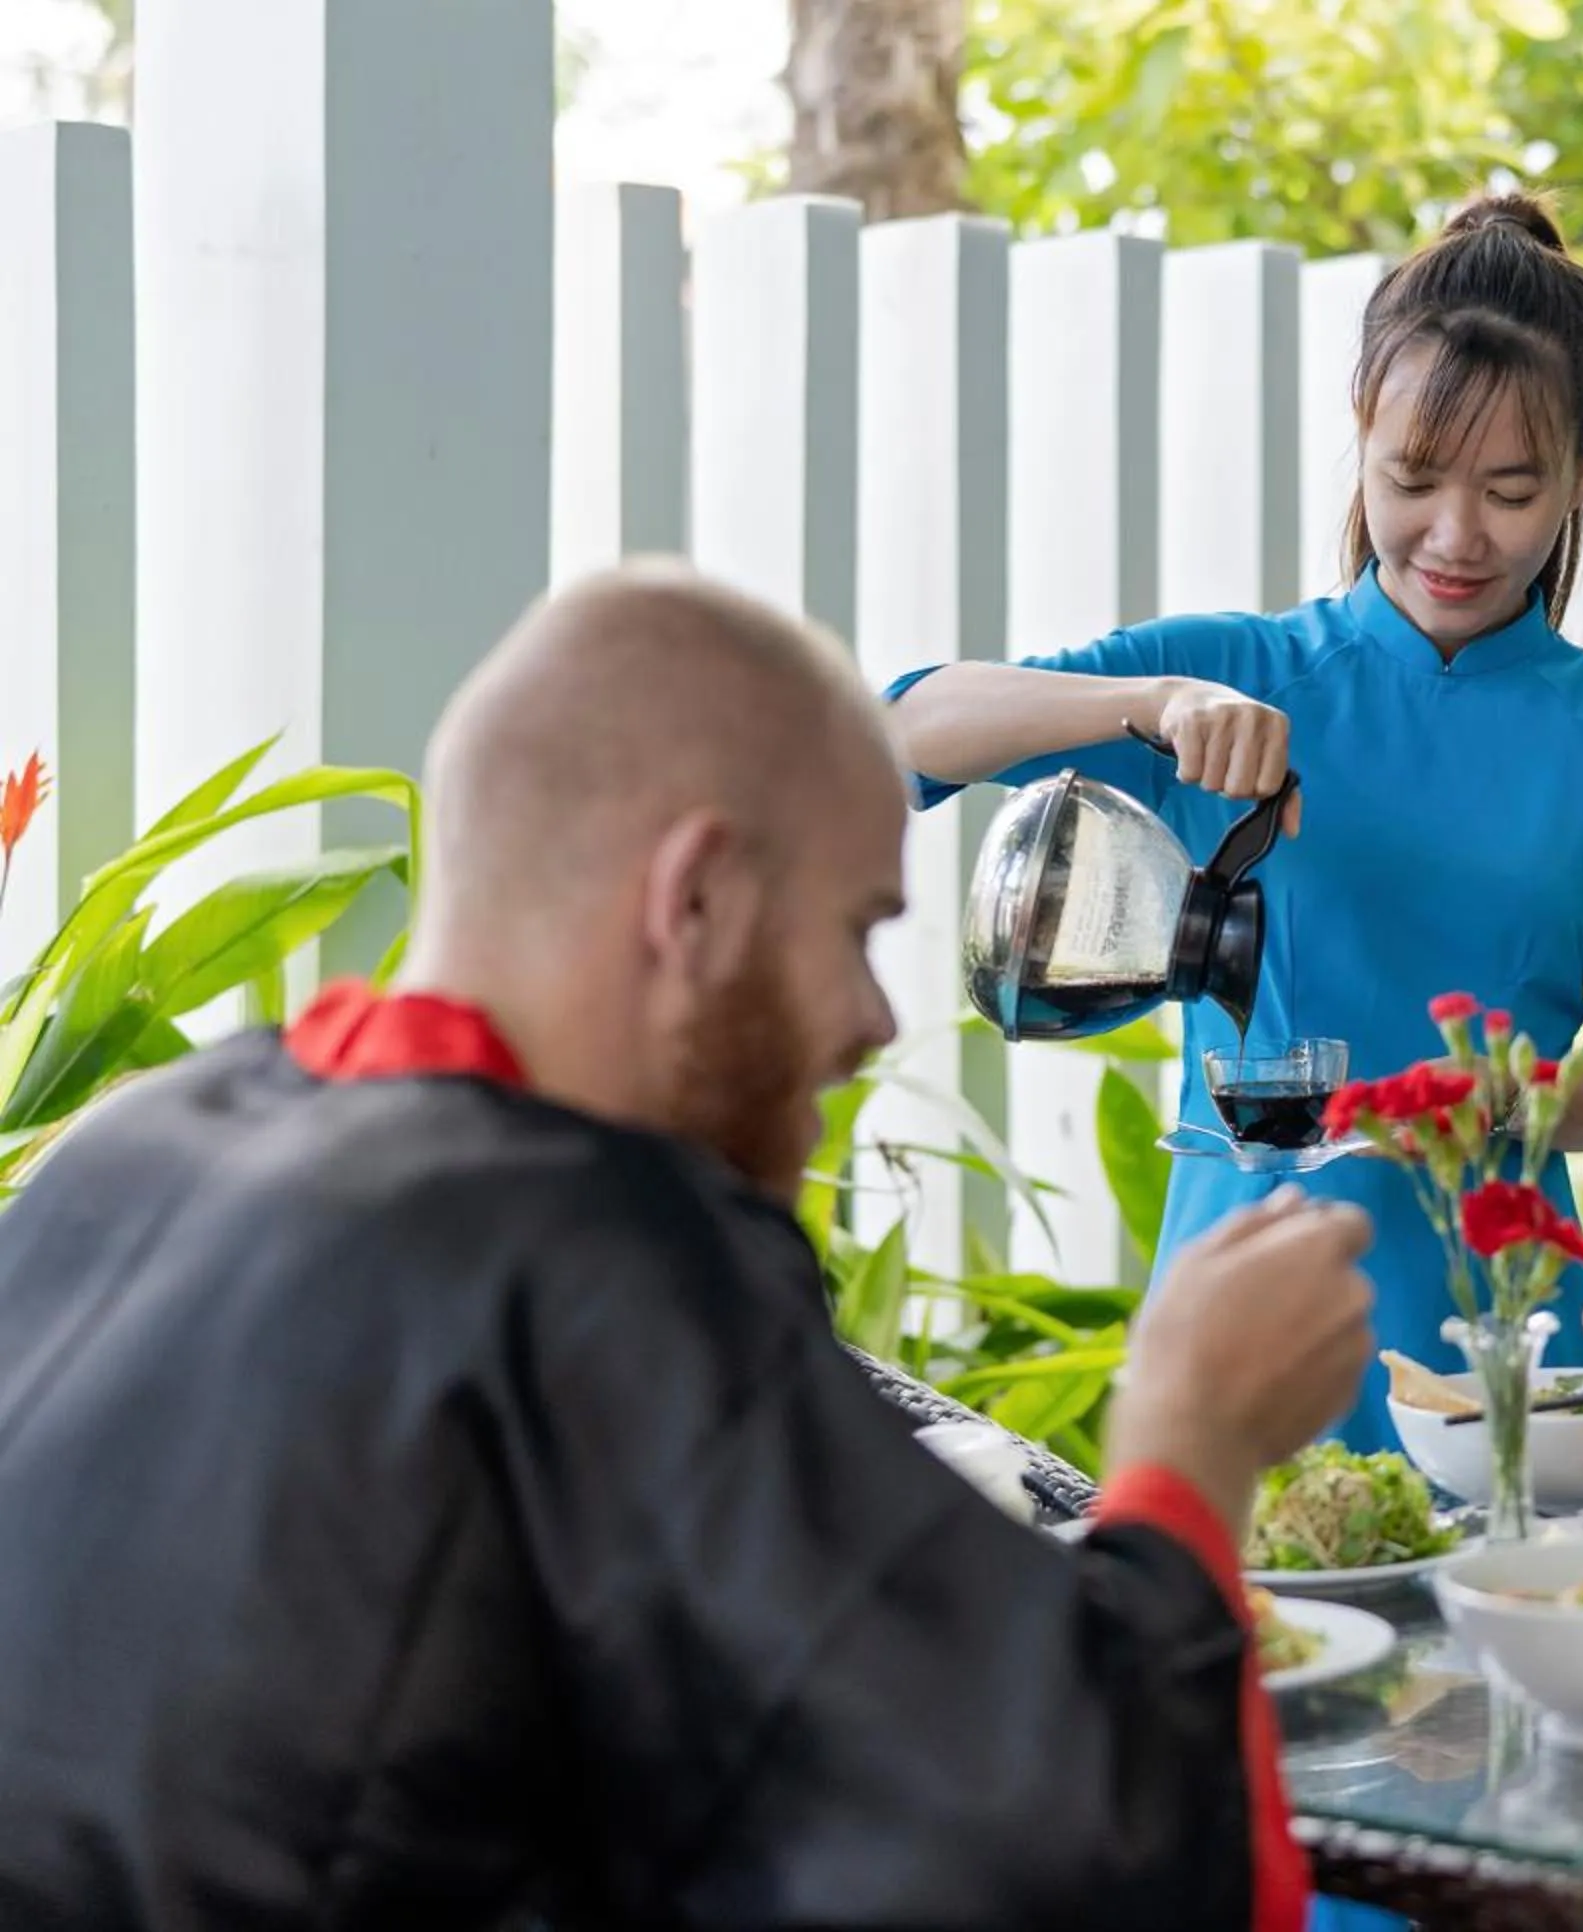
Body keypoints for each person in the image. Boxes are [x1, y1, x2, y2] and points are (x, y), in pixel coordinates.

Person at [0, 564, 1378, 1931]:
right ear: (698, 897)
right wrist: (1193, 1444)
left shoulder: (121, 1158)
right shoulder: (593, 1253)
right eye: (854, 932)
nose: (870, 1021)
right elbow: (1061, 1844)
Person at [887, 191, 1583, 1452]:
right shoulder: (1234, 676)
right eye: (1413, 478)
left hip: (1495, 1345)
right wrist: (1151, 702)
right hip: (1240, 1333)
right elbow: (902, 733)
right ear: (1362, 433)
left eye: (1509, 489)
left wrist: (1459, 1105)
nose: (1455, 534)